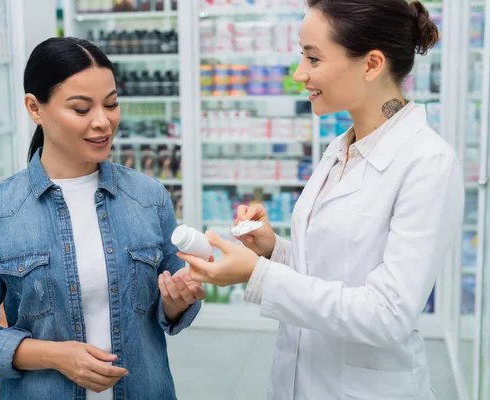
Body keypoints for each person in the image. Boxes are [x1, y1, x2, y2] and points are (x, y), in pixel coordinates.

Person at [178, 1, 464, 399]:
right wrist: (273, 250)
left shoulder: (428, 164)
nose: (300, 74)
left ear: (371, 64)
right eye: (302, 56)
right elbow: (336, 268)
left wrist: (257, 276)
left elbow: (388, 314)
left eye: (313, 58)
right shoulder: (340, 148)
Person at [0, 37, 205, 400]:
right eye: (81, 109)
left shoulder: (149, 197)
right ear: (35, 108)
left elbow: (170, 305)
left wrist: (179, 300)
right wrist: (54, 356)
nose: (103, 122)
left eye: (111, 104)